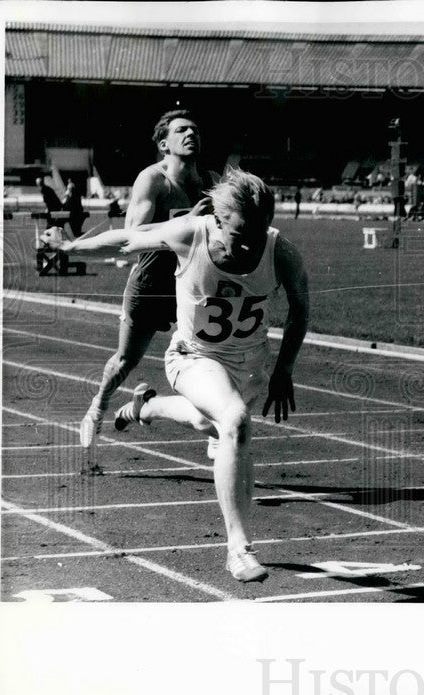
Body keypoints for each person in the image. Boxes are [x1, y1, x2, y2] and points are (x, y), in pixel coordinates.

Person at [43, 168, 311, 583]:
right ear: (218, 221)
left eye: (258, 234)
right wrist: (72, 246)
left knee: (209, 422)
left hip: (250, 366)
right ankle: (238, 549)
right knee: (234, 421)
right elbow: (128, 239)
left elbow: (301, 307)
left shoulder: (281, 251)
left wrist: (284, 371)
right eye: (239, 236)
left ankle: (145, 408)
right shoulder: (191, 234)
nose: (249, 246)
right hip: (193, 357)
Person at [78, 109, 215, 454]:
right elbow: (132, 233)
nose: (190, 134)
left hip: (192, 287)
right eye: (181, 130)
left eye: (195, 130)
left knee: (209, 358)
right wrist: (188, 220)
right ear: (163, 143)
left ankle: (212, 429)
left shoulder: (212, 182)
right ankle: (99, 406)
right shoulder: (153, 180)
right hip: (152, 283)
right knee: (126, 360)